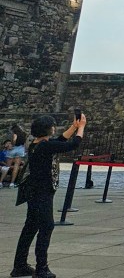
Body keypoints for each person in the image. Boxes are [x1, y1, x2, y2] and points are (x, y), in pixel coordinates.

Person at [11, 112, 86, 278]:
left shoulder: (37, 143)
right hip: (41, 192)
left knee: (30, 227)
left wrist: (73, 127)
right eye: (53, 125)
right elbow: (72, 145)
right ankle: (41, 268)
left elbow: (60, 141)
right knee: (46, 226)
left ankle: (20, 265)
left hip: (34, 191)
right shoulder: (45, 146)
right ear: (48, 129)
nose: (54, 128)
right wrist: (81, 128)